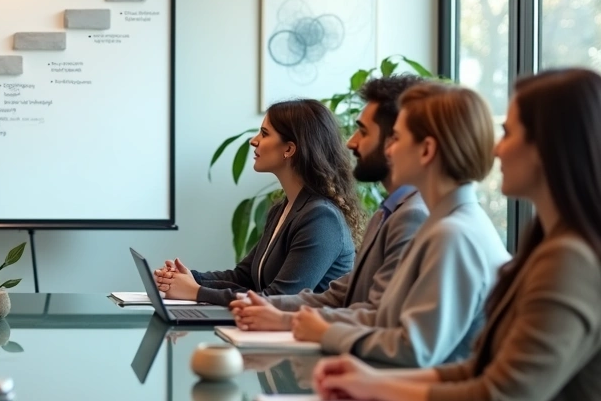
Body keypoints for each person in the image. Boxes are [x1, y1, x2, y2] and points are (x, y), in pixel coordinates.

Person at [313, 69, 601, 401]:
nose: (497, 151)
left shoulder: (569, 259)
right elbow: (480, 370)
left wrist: (376, 386)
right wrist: (370, 381)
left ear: (548, 148)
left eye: (510, 134)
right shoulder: (545, 244)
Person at [287, 83, 509, 366]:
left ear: (426, 150)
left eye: (396, 138)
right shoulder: (445, 223)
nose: (389, 151)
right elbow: (385, 318)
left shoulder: (452, 233)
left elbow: (415, 348)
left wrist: (327, 332)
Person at [231, 75, 429, 330]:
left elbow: (381, 320)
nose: (350, 142)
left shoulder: (413, 217)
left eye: (364, 131)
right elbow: (341, 295)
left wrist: (285, 319)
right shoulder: (385, 214)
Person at [154, 99, 362, 306]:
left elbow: (280, 298)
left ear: (289, 149)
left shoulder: (321, 218)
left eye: (264, 133)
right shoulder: (283, 209)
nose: (253, 141)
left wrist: (197, 292)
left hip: (305, 337)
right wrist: (190, 278)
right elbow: (244, 277)